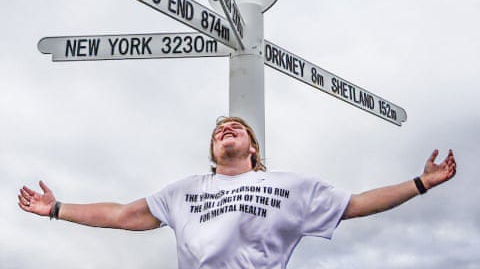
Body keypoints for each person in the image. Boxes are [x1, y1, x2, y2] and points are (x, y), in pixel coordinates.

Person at [18, 116, 456, 268]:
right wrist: (56, 208)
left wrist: (420, 184)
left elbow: (356, 204)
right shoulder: (185, 191)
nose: (226, 130)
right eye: (218, 132)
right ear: (213, 151)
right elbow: (118, 215)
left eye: (236, 128)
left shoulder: (289, 186)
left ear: (253, 148)